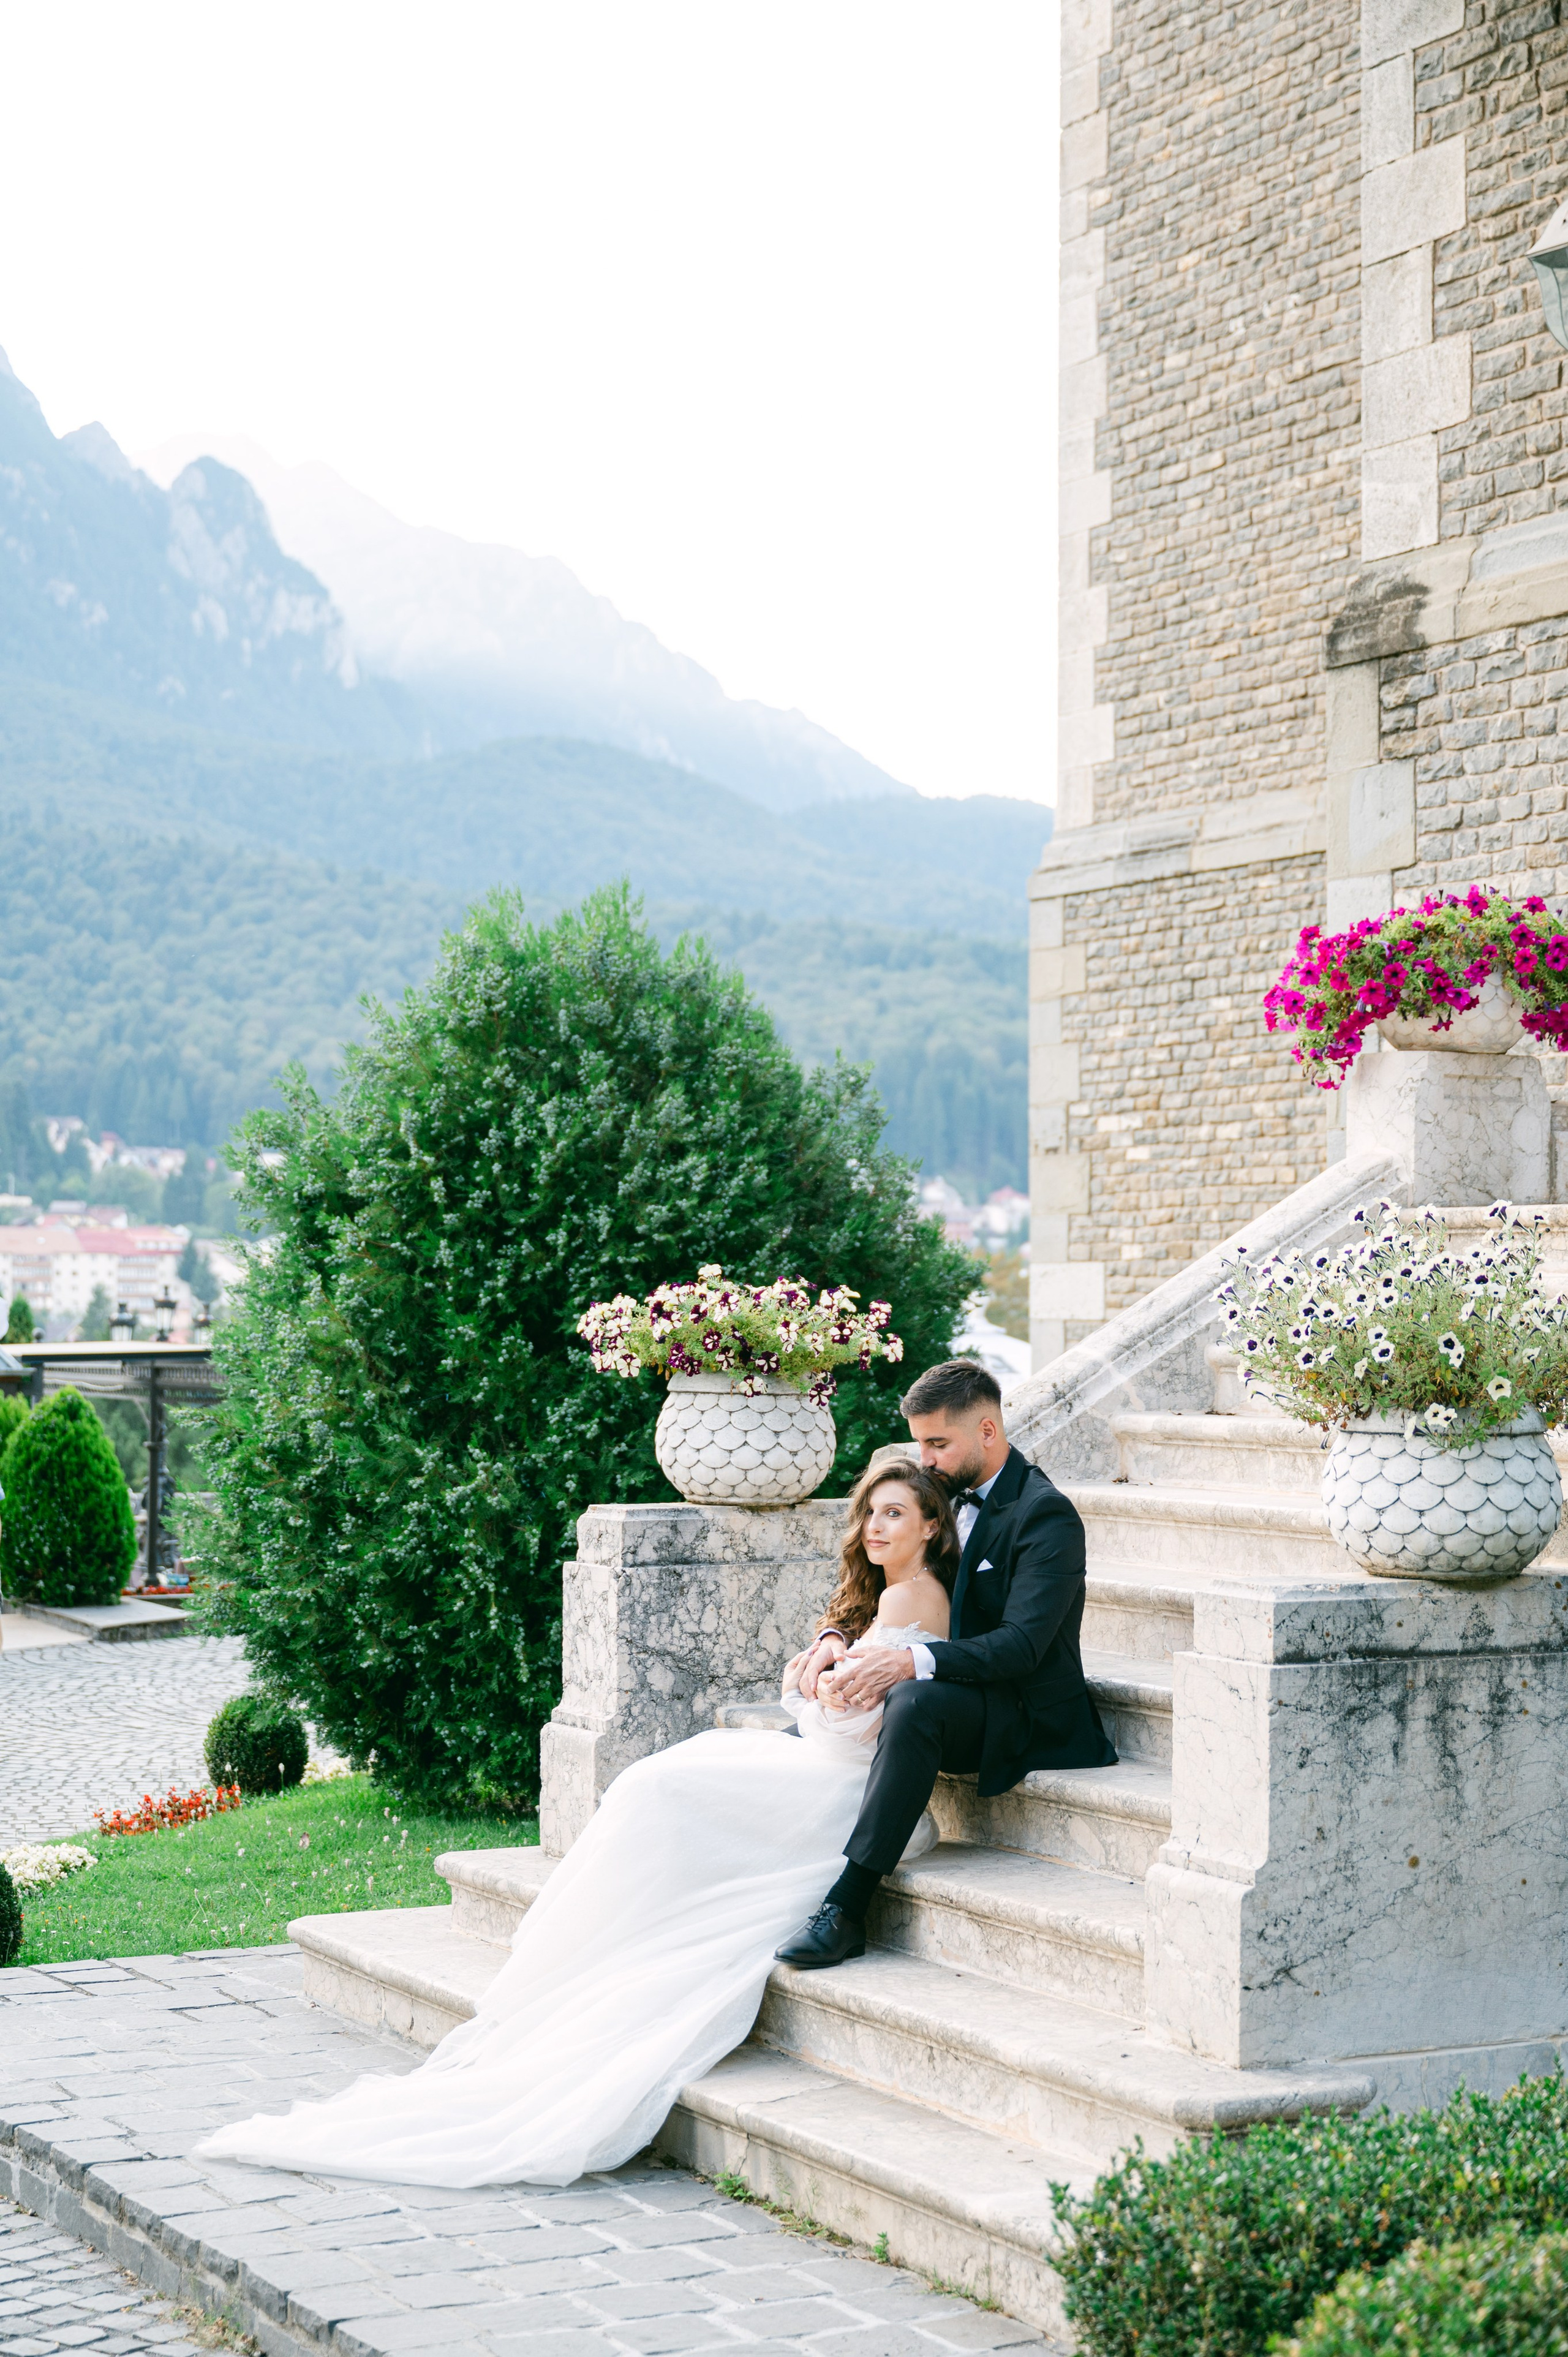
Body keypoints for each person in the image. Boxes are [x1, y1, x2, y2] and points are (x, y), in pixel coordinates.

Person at [196, 1458, 959, 2189]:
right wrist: (825, 1652)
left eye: (894, 1513)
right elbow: (849, 1679)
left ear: (931, 1525)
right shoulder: (882, 1598)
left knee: (657, 1785)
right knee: (656, 1784)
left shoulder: (907, 1599)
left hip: (835, 1783)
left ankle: (621, 1932)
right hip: (817, 1765)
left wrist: (813, 1684)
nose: (873, 1526)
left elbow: (853, 1724)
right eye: (868, 1512)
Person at [774, 1357, 1115, 1970]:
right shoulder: (941, 1497)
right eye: (921, 1443)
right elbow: (881, 1573)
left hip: (1023, 1708)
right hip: (959, 1690)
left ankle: (847, 1908)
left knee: (911, 1699)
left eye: (938, 1442)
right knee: (795, 1740)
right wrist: (833, 1637)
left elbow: (1021, 1647)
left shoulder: (1045, 1515)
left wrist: (910, 1659)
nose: (926, 1458)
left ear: (987, 1431)